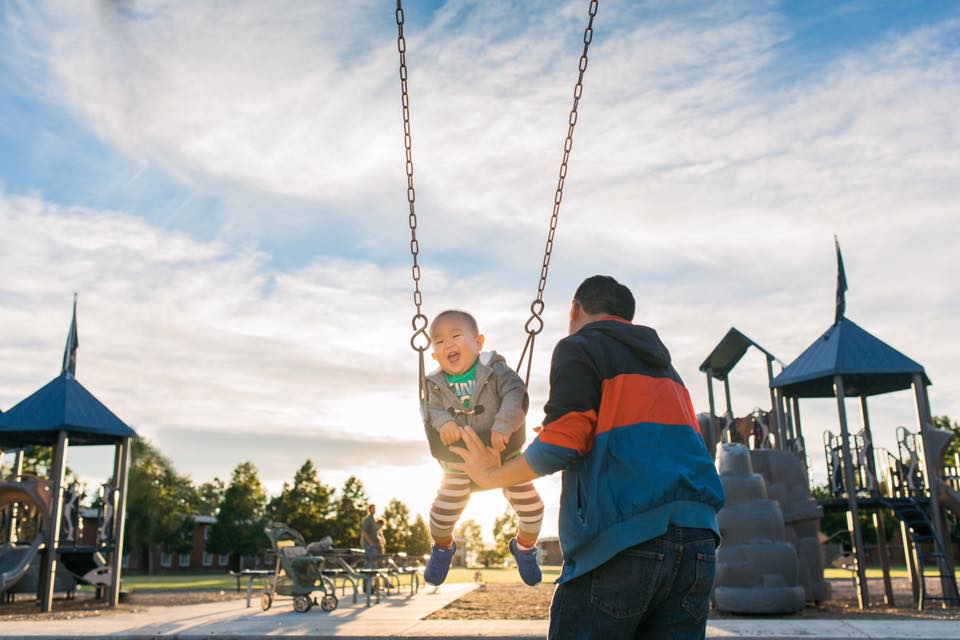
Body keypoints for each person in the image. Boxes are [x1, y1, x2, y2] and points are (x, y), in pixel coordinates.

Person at [449, 276, 725, 640]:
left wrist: (490, 475)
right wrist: (564, 434)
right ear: (627, 316)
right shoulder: (666, 370)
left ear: (575, 309)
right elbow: (648, 440)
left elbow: (564, 444)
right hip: (698, 543)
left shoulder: (580, 346)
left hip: (624, 541)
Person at [423, 310, 545, 587]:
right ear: (434, 355)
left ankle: (524, 548)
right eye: (439, 342)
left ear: (478, 342)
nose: (448, 345)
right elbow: (432, 409)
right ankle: (443, 548)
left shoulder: (496, 370)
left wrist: (503, 425)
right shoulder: (435, 383)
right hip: (459, 462)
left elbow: (515, 394)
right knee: (440, 516)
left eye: (456, 336)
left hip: (504, 456)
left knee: (533, 510)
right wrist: (444, 424)